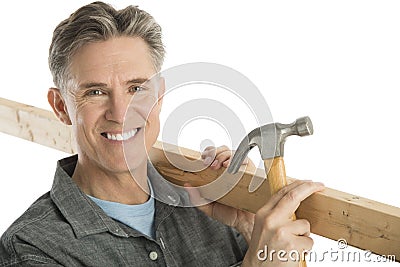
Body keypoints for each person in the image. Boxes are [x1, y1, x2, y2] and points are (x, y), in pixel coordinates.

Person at [0, 2, 324, 266]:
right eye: (96, 92)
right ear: (60, 106)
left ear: (160, 95)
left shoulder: (213, 210)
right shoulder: (33, 249)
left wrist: (253, 233)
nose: (120, 112)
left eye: (137, 88)